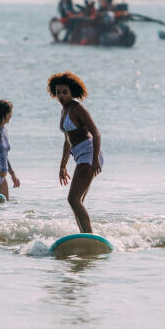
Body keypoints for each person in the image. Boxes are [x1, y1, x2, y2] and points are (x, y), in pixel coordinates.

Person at [47, 72, 103, 233]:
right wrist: (62, 165)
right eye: (58, 92)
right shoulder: (64, 111)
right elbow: (67, 140)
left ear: (72, 92)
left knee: (73, 199)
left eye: (65, 92)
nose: (61, 96)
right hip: (81, 156)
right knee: (77, 202)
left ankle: (89, 236)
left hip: (90, 153)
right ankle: (85, 237)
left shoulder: (77, 108)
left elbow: (96, 133)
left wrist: (95, 160)